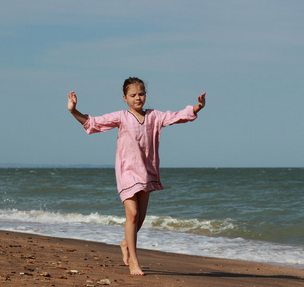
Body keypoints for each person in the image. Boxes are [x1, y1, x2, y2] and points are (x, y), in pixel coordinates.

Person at [67, 77, 206, 275]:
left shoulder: (154, 116)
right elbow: (94, 123)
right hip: (126, 171)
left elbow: (176, 116)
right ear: (125, 98)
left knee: (140, 218)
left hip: (146, 171)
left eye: (141, 94)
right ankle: (134, 261)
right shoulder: (121, 116)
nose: (138, 98)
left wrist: (197, 107)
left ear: (145, 95)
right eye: (133, 95)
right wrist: (73, 110)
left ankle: (125, 244)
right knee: (132, 214)